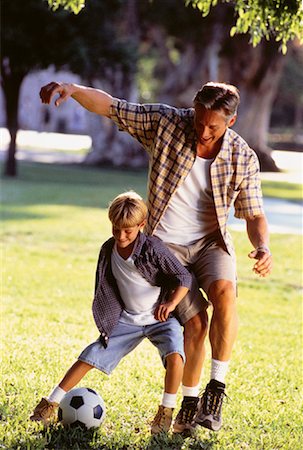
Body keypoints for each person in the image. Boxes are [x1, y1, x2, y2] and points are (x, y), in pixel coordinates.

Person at [39, 81, 273, 433]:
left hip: (211, 243)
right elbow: (112, 106)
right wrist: (73, 89)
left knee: (225, 292)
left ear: (232, 121)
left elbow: (254, 214)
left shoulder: (243, 157)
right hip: (166, 249)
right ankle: (189, 405)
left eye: (213, 125)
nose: (203, 130)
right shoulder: (166, 123)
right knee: (196, 323)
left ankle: (216, 389)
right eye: (199, 120)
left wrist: (263, 246)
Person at [30, 191, 200, 434]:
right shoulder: (107, 249)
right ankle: (49, 404)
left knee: (176, 356)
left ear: (141, 225)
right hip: (127, 320)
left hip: (159, 320)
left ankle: (166, 412)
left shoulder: (152, 248)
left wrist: (171, 304)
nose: (121, 236)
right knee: (90, 355)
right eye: (116, 229)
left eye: (128, 231)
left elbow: (184, 276)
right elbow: (106, 283)